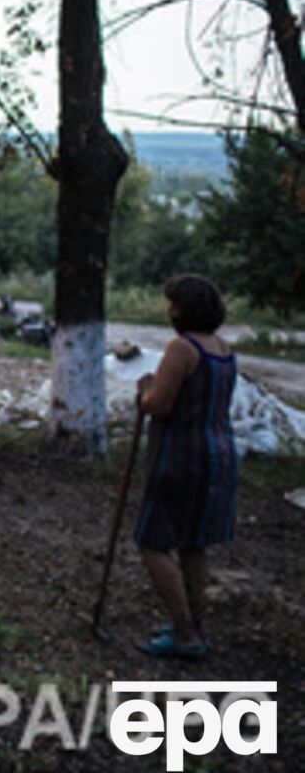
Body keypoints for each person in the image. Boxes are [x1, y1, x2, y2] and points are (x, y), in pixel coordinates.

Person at [133, 274, 239, 659]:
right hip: (219, 455)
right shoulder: (223, 349)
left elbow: (159, 405)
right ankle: (195, 625)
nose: (169, 311)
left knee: (153, 543)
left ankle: (184, 633)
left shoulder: (182, 349)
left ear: (183, 309)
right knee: (194, 545)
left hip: (181, 458)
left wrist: (144, 393)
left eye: (173, 304)